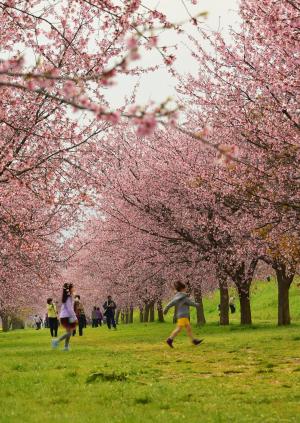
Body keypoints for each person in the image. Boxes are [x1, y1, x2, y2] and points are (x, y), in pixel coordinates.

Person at [164, 281, 203, 348]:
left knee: (188, 328)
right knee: (179, 328)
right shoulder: (184, 298)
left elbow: (170, 304)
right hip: (183, 316)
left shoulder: (176, 298)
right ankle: (169, 339)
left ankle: (194, 341)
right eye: (185, 288)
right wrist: (197, 305)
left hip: (181, 315)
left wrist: (165, 310)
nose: (186, 289)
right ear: (182, 289)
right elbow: (191, 303)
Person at [51, 283, 77, 351]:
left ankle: (66, 347)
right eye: (73, 287)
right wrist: (75, 317)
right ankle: (56, 341)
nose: (74, 288)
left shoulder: (68, 297)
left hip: (67, 316)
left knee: (69, 332)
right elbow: (70, 308)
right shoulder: (68, 298)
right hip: (66, 317)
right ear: (69, 289)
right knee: (69, 332)